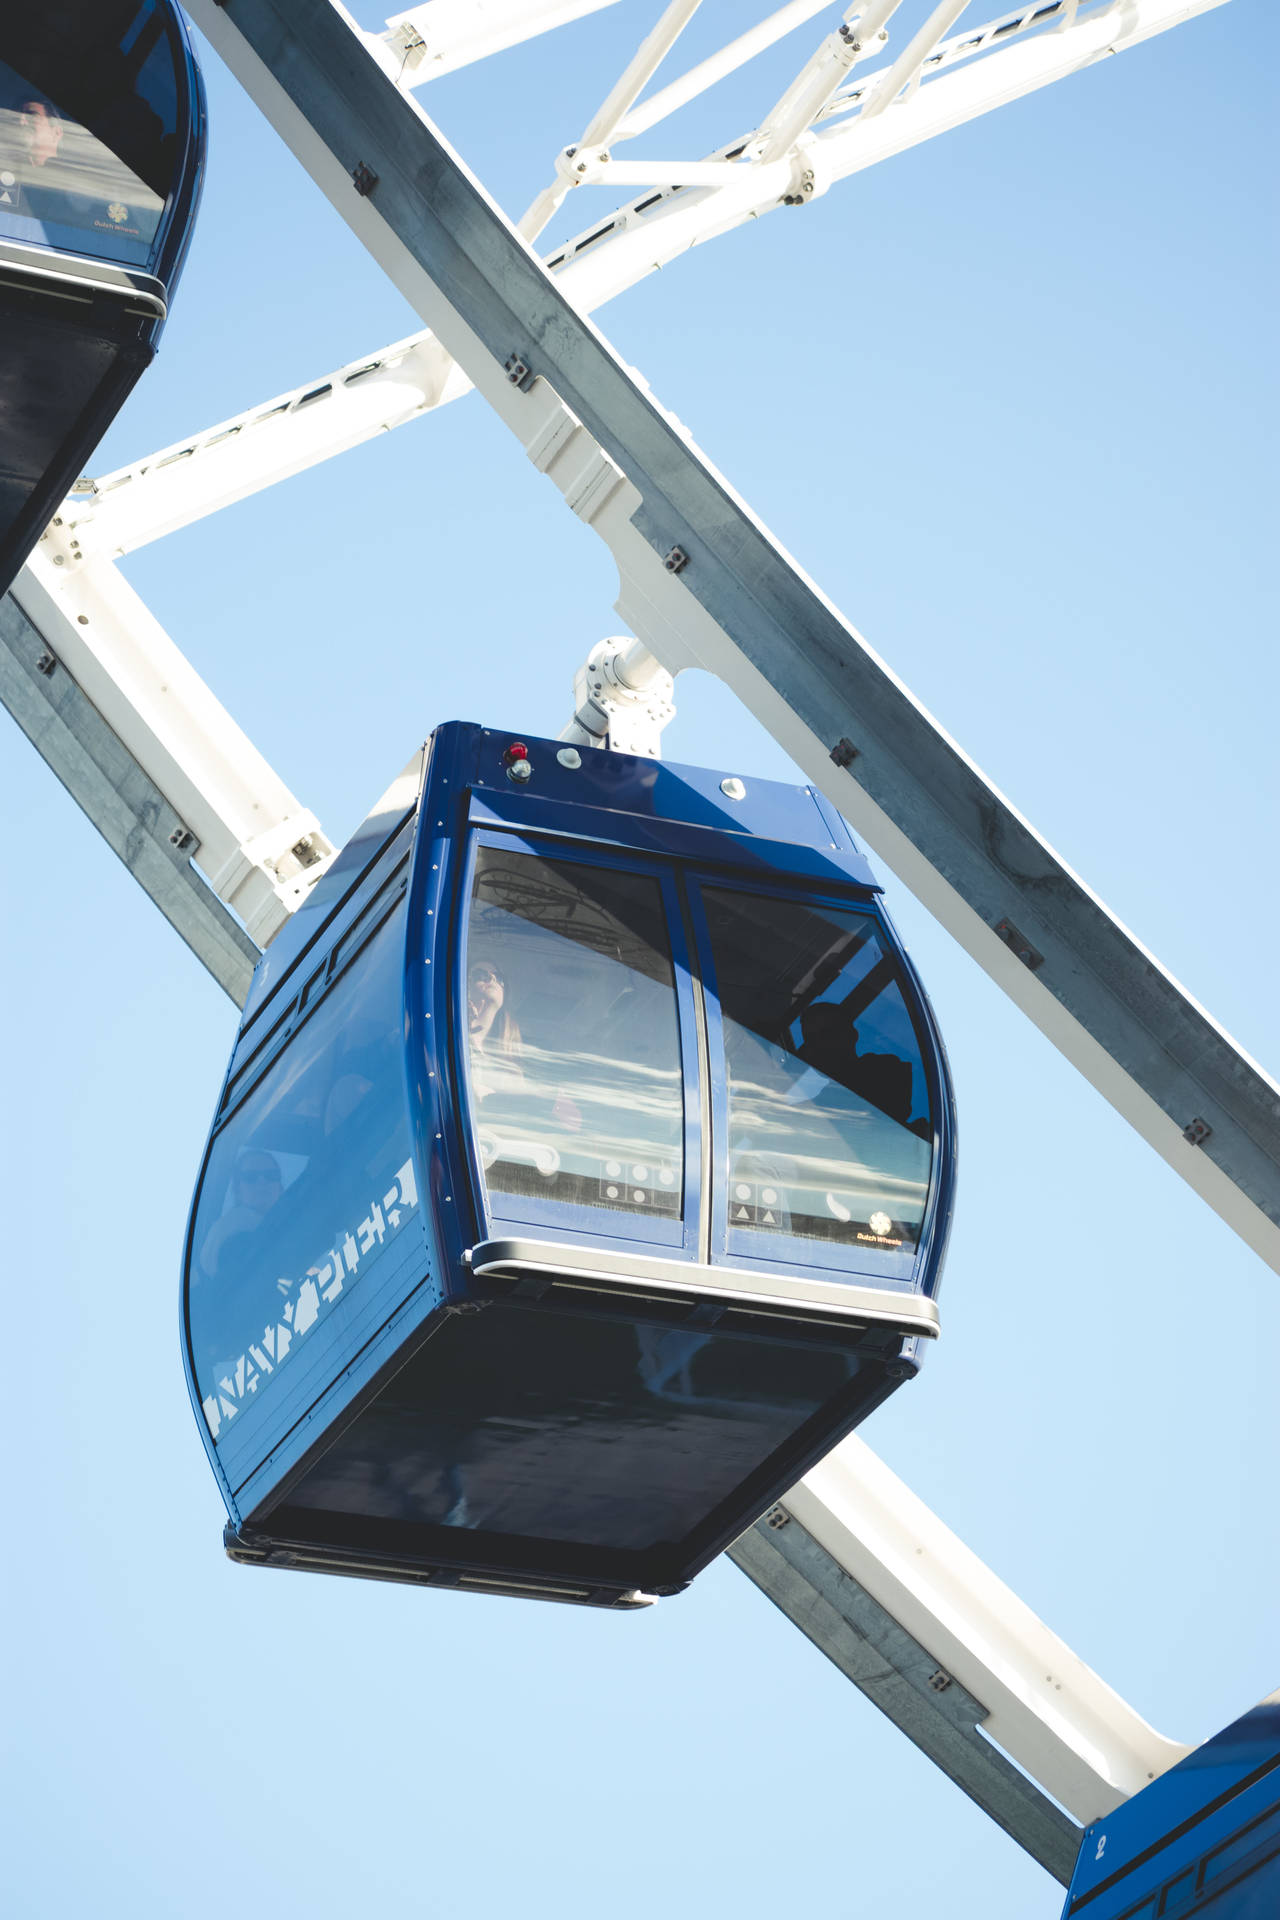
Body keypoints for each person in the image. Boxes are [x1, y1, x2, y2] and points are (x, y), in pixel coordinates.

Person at [199, 1148, 284, 1279]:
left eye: (271, 1175)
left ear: (280, 1186)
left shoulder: (291, 1220)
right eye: (251, 1177)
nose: (262, 1181)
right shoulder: (229, 1226)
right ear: (237, 1190)